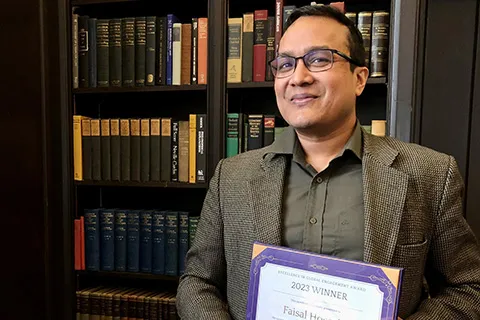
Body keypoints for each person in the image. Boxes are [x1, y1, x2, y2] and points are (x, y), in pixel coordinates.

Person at [176, 5, 480, 319]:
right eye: (284, 64)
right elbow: (198, 281)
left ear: (360, 78)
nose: (298, 78)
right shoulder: (232, 176)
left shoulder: (429, 174)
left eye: (319, 59)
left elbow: (469, 288)